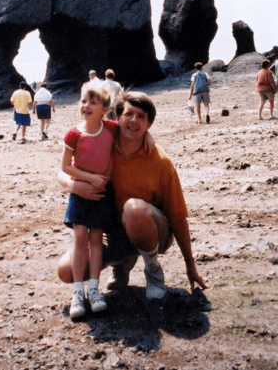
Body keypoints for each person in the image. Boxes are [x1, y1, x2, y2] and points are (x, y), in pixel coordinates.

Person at [57, 91, 208, 303]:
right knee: (66, 271)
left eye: (141, 116)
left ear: (149, 125)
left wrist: (190, 265)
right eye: (129, 114)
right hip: (113, 232)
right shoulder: (104, 143)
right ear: (116, 118)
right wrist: (72, 186)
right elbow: (64, 170)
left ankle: (153, 271)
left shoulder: (161, 162)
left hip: (152, 230)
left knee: (134, 209)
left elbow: (177, 216)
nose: (134, 121)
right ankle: (122, 263)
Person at [61, 82, 113, 318]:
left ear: (104, 108)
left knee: (96, 238)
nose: (87, 106)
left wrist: (104, 179)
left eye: (93, 102)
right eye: (83, 101)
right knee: (80, 237)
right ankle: (78, 293)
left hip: (102, 193)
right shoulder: (73, 134)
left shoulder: (111, 129)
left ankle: (94, 289)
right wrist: (89, 178)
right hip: (80, 193)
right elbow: (64, 167)